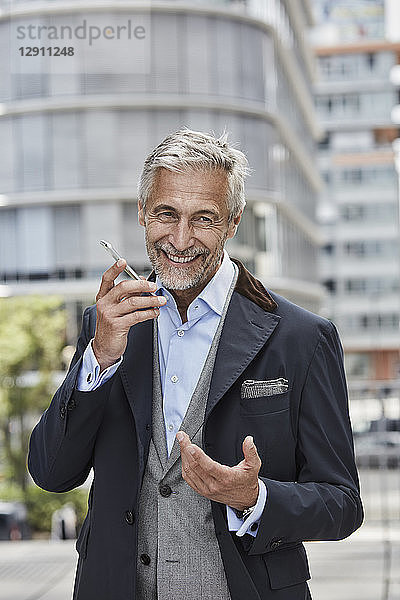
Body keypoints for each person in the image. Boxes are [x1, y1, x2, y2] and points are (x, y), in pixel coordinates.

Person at [28, 129, 363, 600]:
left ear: (233, 222)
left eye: (203, 218)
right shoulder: (106, 325)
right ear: (143, 213)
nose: (181, 239)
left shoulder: (302, 338)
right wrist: (98, 357)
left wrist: (255, 497)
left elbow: (343, 505)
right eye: (166, 214)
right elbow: (52, 472)